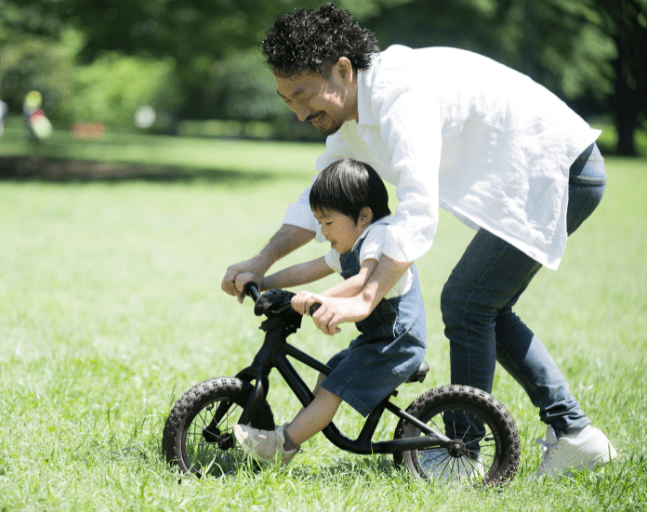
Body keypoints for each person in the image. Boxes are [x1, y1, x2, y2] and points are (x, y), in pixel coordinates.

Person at [221, 3, 616, 478]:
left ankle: (462, 457)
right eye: (288, 100)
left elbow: (416, 210)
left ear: (342, 71)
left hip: (563, 168)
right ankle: (575, 435)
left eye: (304, 95)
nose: (300, 112)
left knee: (469, 303)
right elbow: (317, 198)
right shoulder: (352, 116)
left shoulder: (403, 98)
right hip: (528, 175)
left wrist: (365, 297)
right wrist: (261, 262)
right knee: (484, 304)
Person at [233, 158, 426, 466]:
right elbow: (308, 269)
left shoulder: (379, 237)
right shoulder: (349, 245)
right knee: (328, 373)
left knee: (332, 388)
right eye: (318, 223)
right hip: (377, 340)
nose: (322, 232)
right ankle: (289, 438)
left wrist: (316, 299)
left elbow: (363, 281)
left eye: (328, 222)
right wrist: (264, 280)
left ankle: (282, 445)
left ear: (363, 216)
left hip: (395, 344)